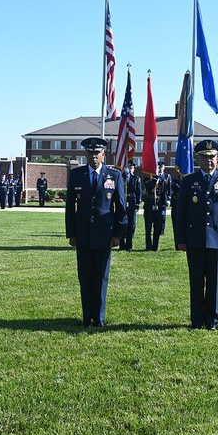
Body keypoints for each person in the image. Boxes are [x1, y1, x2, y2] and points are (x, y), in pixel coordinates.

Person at [175, 140, 218, 331]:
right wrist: (181, 240)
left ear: (217, 159)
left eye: (211, 157)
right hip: (194, 239)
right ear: (198, 159)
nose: (208, 161)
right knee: (196, 281)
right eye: (204, 157)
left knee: (213, 283)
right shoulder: (188, 181)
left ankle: (212, 321)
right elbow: (180, 213)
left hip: (217, 238)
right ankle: (196, 320)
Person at [65, 137, 126, 328]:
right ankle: (86, 317)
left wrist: (118, 234)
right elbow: (70, 208)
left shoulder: (114, 176)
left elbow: (121, 207)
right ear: (86, 155)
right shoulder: (77, 175)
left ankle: (98, 318)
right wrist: (71, 234)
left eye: (97, 153)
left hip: (105, 235)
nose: (94, 156)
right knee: (85, 276)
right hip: (83, 234)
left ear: (103, 154)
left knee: (101, 277)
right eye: (90, 153)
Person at [120, 164, 141, 250]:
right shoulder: (120, 177)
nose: (128, 169)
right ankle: (121, 245)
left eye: (130, 168)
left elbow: (138, 191)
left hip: (131, 201)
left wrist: (137, 204)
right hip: (123, 201)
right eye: (127, 167)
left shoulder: (135, 178)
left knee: (131, 223)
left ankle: (129, 245)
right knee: (121, 222)